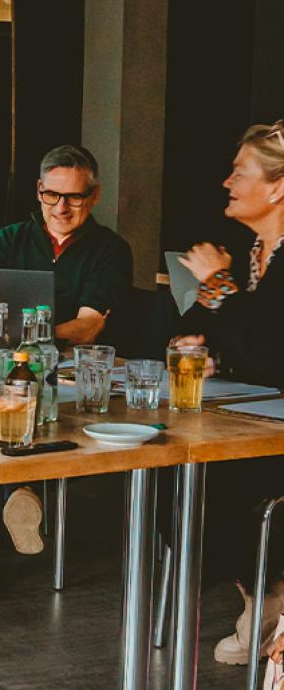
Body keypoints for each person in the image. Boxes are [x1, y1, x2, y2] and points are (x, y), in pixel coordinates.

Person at [0, 144, 134, 600]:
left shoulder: (109, 249)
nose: (62, 208)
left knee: (10, 408)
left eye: (73, 197)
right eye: (52, 196)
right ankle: (20, 488)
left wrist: (32, 340)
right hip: (8, 367)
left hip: (71, 373)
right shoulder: (9, 238)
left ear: (93, 196)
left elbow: (90, 325)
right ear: (38, 191)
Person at [170, 121, 284, 665]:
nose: (226, 182)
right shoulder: (248, 253)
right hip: (255, 420)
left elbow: (275, 352)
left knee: (223, 480)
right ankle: (263, 599)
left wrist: (219, 289)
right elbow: (193, 332)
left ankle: (269, 602)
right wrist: (197, 340)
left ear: (278, 187)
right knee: (179, 474)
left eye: (240, 172)